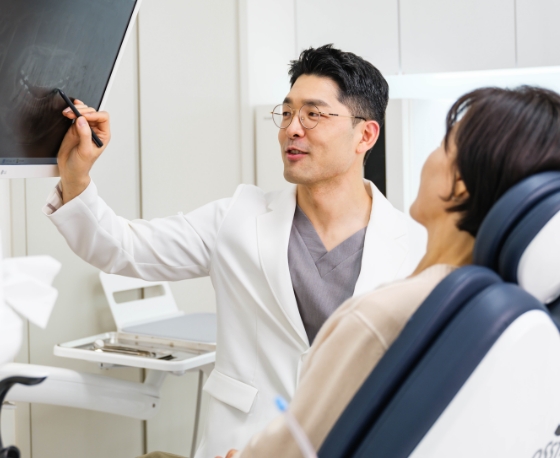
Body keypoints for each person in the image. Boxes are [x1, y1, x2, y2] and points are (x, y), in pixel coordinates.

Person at [43, 45, 426, 457]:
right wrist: (76, 175)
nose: (292, 129)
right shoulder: (237, 219)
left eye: (313, 114)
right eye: (287, 112)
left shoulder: (415, 247)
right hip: (244, 445)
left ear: (365, 135)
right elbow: (122, 248)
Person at [194, 85, 559, 457]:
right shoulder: (514, 315)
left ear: (460, 184)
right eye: (287, 114)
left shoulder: (380, 317)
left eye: (443, 144)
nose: (294, 128)